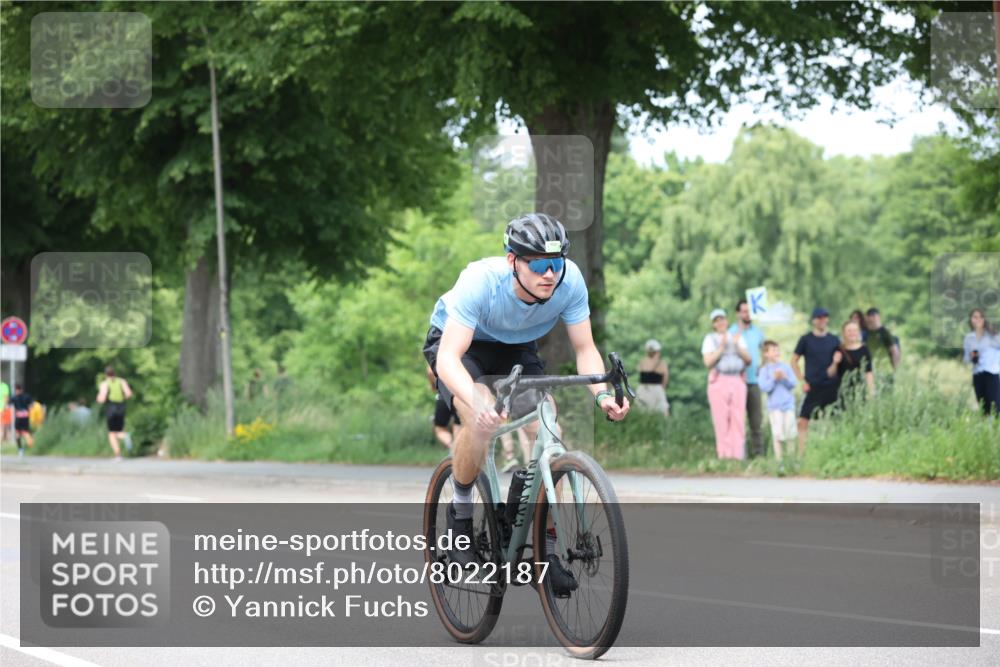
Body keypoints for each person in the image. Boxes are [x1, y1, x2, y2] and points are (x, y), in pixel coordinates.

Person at [423, 213, 629, 595]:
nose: (550, 274)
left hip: (516, 346)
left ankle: (543, 547)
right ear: (513, 261)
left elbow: (586, 350)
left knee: (548, 425)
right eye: (539, 265)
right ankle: (461, 517)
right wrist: (476, 401)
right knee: (480, 416)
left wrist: (601, 394)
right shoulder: (480, 282)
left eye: (556, 264)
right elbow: (449, 358)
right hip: (462, 342)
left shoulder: (569, 282)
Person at [701, 308, 751, 460]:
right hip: (719, 380)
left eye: (722, 319)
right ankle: (724, 455)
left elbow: (748, 360)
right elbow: (708, 362)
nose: (720, 322)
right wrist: (721, 347)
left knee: (738, 418)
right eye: (717, 320)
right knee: (721, 419)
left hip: (737, 379)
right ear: (714, 324)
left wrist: (736, 346)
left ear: (727, 321)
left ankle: (737, 455)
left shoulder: (737, 337)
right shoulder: (710, 339)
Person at [791, 308, 841, 455]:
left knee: (833, 420)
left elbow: (841, 362)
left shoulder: (834, 340)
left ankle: (831, 451)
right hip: (811, 386)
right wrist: (801, 380)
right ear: (813, 320)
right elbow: (794, 361)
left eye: (825, 317)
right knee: (803, 420)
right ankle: (802, 454)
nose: (822, 320)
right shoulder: (806, 339)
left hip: (831, 385)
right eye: (819, 318)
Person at [730, 299, 765, 458]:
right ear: (738, 313)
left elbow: (764, 350)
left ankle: (759, 455)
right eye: (744, 311)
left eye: (749, 311)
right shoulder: (731, 332)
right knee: (737, 422)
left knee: (756, 422)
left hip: (754, 382)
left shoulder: (758, 332)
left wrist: (762, 366)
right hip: (736, 381)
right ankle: (738, 455)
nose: (747, 314)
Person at [757, 340, 797, 468]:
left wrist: (784, 378)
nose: (776, 352)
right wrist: (774, 378)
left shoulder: (786, 367)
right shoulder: (764, 370)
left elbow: (793, 384)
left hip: (788, 405)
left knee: (790, 433)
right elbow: (764, 387)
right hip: (775, 407)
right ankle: (780, 461)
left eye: (777, 350)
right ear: (766, 354)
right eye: (773, 350)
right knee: (778, 434)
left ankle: (791, 460)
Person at [828, 320, 874, 407]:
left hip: (861, 392)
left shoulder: (865, 350)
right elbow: (830, 374)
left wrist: (871, 393)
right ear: (844, 333)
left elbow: (869, 373)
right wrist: (835, 363)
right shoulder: (838, 349)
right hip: (843, 392)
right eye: (849, 331)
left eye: (855, 330)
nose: (852, 333)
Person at [963, 309, 1000, 416]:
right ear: (971, 320)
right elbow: (966, 359)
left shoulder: (994, 336)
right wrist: (971, 357)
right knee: (983, 408)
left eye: (980, 317)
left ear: (984, 319)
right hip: (977, 374)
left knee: (995, 406)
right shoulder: (969, 338)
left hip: (991, 373)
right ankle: (987, 431)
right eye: (974, 317)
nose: (977, 320)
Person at [96, 366, 133, 461]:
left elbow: (102, 398)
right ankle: (124, 435)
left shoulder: (105, 384)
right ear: (114, 373)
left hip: (111, 407)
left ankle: (118, 455)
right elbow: (129, 394)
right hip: (121, 407)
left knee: (112, 433)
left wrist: (99, 399)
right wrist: (122, 398)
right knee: (119, 431)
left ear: (105, 375)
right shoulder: (122, 381)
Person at [427, 364, 461, 450]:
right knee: (459, 425)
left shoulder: (441, 350)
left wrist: (433, 386)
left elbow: (430, 372)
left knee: (440, 428)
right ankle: (458, 451)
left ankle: (452, 448)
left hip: (444, 393)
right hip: (461, 394)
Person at [635, 339, 669, 416]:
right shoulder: (662, 364)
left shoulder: (642, 362)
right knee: (663, 412)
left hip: (643, 389)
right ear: (657, 352)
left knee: (642, 412)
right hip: (657, 389)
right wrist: (662, 389)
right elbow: (665, 380)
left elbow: (639, 369)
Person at [865, 308, 900, 376]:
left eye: (871, 317)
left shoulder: (884, 332)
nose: (868, 320)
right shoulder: (868, 333)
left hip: (885, 370)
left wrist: (895, 369)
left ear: (876, 317)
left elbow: (894, 351)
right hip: (872, 371)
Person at [11, 384, 35, 456]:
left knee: (20, 434)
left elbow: (8, 404)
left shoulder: (14, 397)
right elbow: (32, 405)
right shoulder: (27, 396)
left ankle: (21, 449)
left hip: (20, 417)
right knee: (23, 433)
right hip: (25, 416)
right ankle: (26, 447)